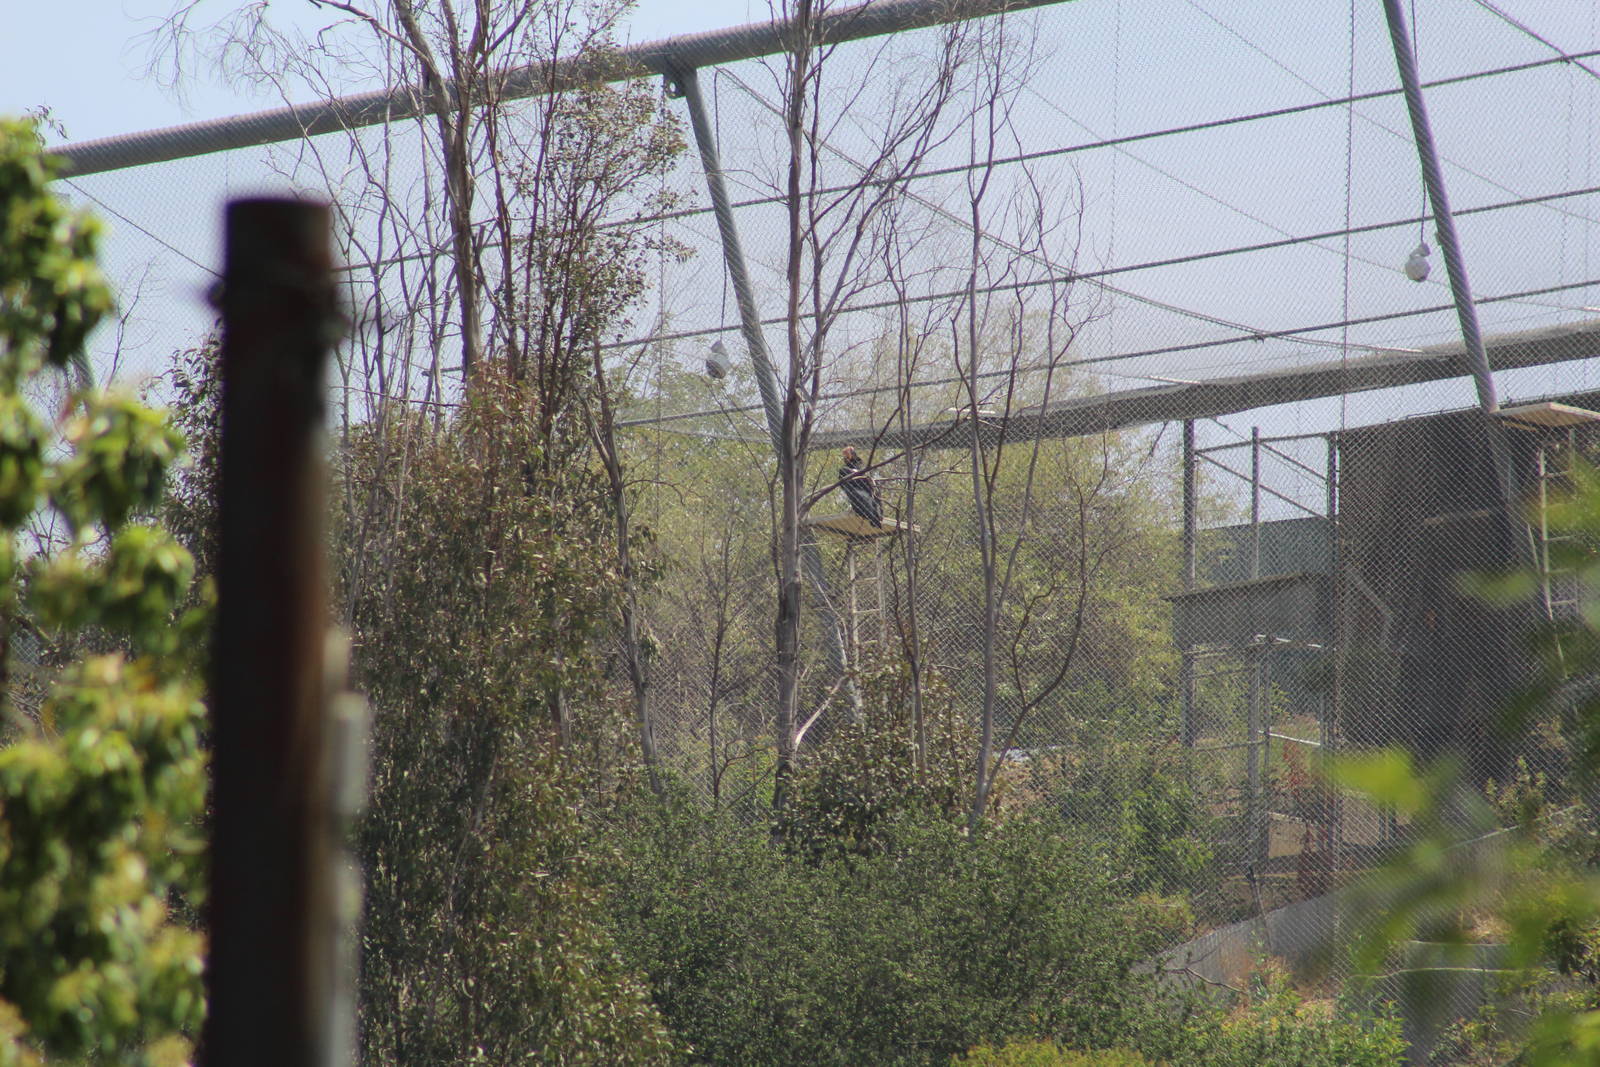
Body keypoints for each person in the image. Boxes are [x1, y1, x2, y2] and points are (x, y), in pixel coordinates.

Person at [839, 445, 884, 527]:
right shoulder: (850, 469)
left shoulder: (860, 466)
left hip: (867, 497)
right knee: (843, 472)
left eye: (847, 455)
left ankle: (874, 513)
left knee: (843, 472)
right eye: (844, 456)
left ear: (852, 454)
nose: (845, 458)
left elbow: (865, 479)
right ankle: (872, 513)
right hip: (863, 498)